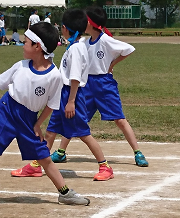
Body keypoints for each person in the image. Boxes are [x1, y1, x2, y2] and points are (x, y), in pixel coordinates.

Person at [0, 22, 90, 210]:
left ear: (37, 47)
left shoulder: (54, 76)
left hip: (29, 119)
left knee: (44, 157)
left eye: (26, 42)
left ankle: (64, 193)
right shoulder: (20, 66)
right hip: (6, 111)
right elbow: (0, 81)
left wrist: (38, 124)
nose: (23, 45)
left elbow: (51, 105)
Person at [11, 9, 114, 181]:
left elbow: (74, 78)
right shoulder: (75, 46)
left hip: (71, 95)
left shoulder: (76, 49)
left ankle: (105, 167)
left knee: (83, 133)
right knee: (51, 131)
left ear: (65, 29)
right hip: (64, 94)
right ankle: (37, 165)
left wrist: (71, 101)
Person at [44, 6, 150, 167]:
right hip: (85, 84)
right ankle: (61, 151)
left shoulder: (105, 40)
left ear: (90, 23)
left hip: (104, 85)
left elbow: (129, 49)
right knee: (74, 118)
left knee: (119, 119)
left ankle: (137, 152)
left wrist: (112, 64)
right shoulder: (84, 42)